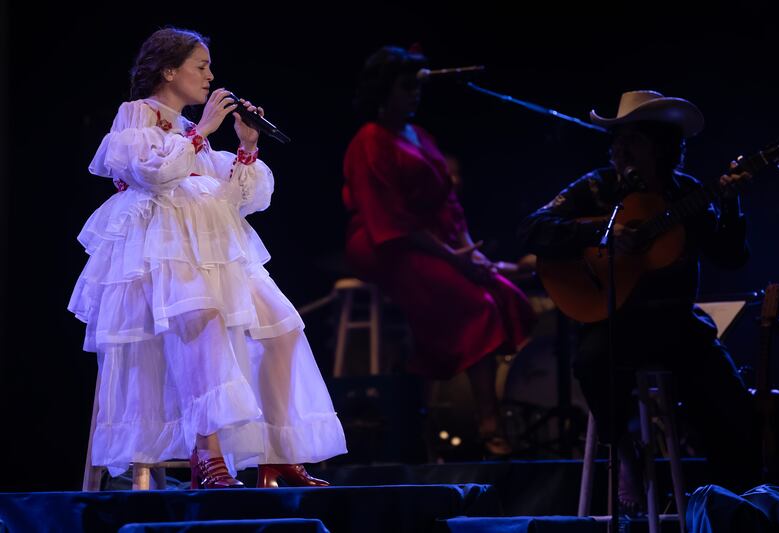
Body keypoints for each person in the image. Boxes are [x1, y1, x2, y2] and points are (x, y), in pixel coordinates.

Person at [68, 27, 346, 489]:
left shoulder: (187, 132)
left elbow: (240, 197)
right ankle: (208, 455)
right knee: (205, 329)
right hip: (163, 254)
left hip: (214, 250)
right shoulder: (138, 115)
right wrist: (202, 131)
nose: (210, 76)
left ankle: (276, 453)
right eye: (201, 66)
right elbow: (153, 174)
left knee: (282, 327)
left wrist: (247, 145)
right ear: (169, 70)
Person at [518, 90, 759, 506]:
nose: (619, 148)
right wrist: (600, 234)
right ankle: (623, 452)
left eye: (633, 139)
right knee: (591, 362)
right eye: (617, 139)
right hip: (616, 321)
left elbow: (730, 256)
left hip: (676, 322)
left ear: (662, 146)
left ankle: (735, 503)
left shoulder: (687, 193)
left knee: (732, 406)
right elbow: (533, 229)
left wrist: (732, 202)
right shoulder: (597, 188)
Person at [342, 46, 536, 456]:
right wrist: (455, 259)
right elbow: (391, 221)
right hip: (387, 244)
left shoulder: (420, 134)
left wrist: (470, 252)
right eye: (406, 87)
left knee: (505, 295)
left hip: (431, 240)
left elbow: (448, 204)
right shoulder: (369, 140)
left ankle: (423, 392)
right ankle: (488, 422)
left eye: (417, 86)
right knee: (475, 303)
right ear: (384, 90)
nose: (415, 94)